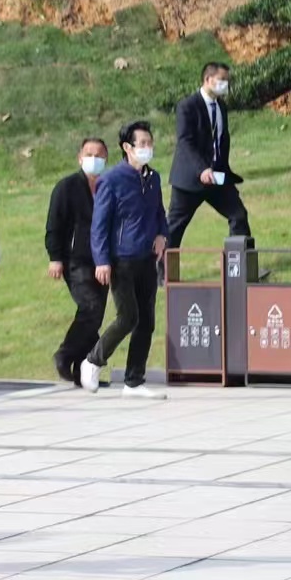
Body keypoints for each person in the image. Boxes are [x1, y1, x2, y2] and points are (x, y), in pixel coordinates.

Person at [82, 122, 168, 399]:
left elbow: (159, 213)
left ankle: (133, 380)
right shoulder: (112, 180)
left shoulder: (153, 178)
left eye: (149, 143)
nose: (147, 148)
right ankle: (93, 360)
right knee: (128, 316)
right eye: (142, 144)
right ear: (127, 148)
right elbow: (99, 225)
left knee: (147, 321)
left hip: (146, 258)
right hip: (121, 260)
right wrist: (102, 261)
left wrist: (161, 235)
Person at [47, 139, 111, 386]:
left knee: (96, 315)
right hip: (76, 260)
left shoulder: (108, 186)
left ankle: (83, 370)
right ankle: (65, 354)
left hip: (103, 261)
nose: (94, 158)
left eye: (99, 155)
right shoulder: (67, 187)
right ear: (79, 157)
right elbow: (54, 225)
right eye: (89, 154)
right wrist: (55, 258)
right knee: (90, 307)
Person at [168, 62, 250, 249]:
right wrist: (201, 169)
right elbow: (185, 142)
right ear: (207, 79)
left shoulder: (221, 106)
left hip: (217, 178)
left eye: (227, 81)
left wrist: (222, 169)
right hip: (190, 180)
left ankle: (240, 267)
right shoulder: (187, 106)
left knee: (238, 215)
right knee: (175, 226)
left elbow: (221, 139)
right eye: (222, 80)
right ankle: (160, 272)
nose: (225, 85)